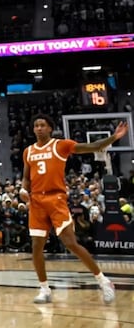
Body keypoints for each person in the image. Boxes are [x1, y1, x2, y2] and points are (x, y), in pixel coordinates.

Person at [21, 114, 125, 305]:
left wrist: (113, 138)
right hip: (37, 201)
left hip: (56, 198)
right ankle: (44, 289)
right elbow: (26, 177)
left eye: (42, 125)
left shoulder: (60, 145)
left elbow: (91, 146)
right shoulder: (28, 151)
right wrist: (22, 189)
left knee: (71, 243)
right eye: (36, 125)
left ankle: (104, 281)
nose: (39, 128)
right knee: (36, 247)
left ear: (50, 128)